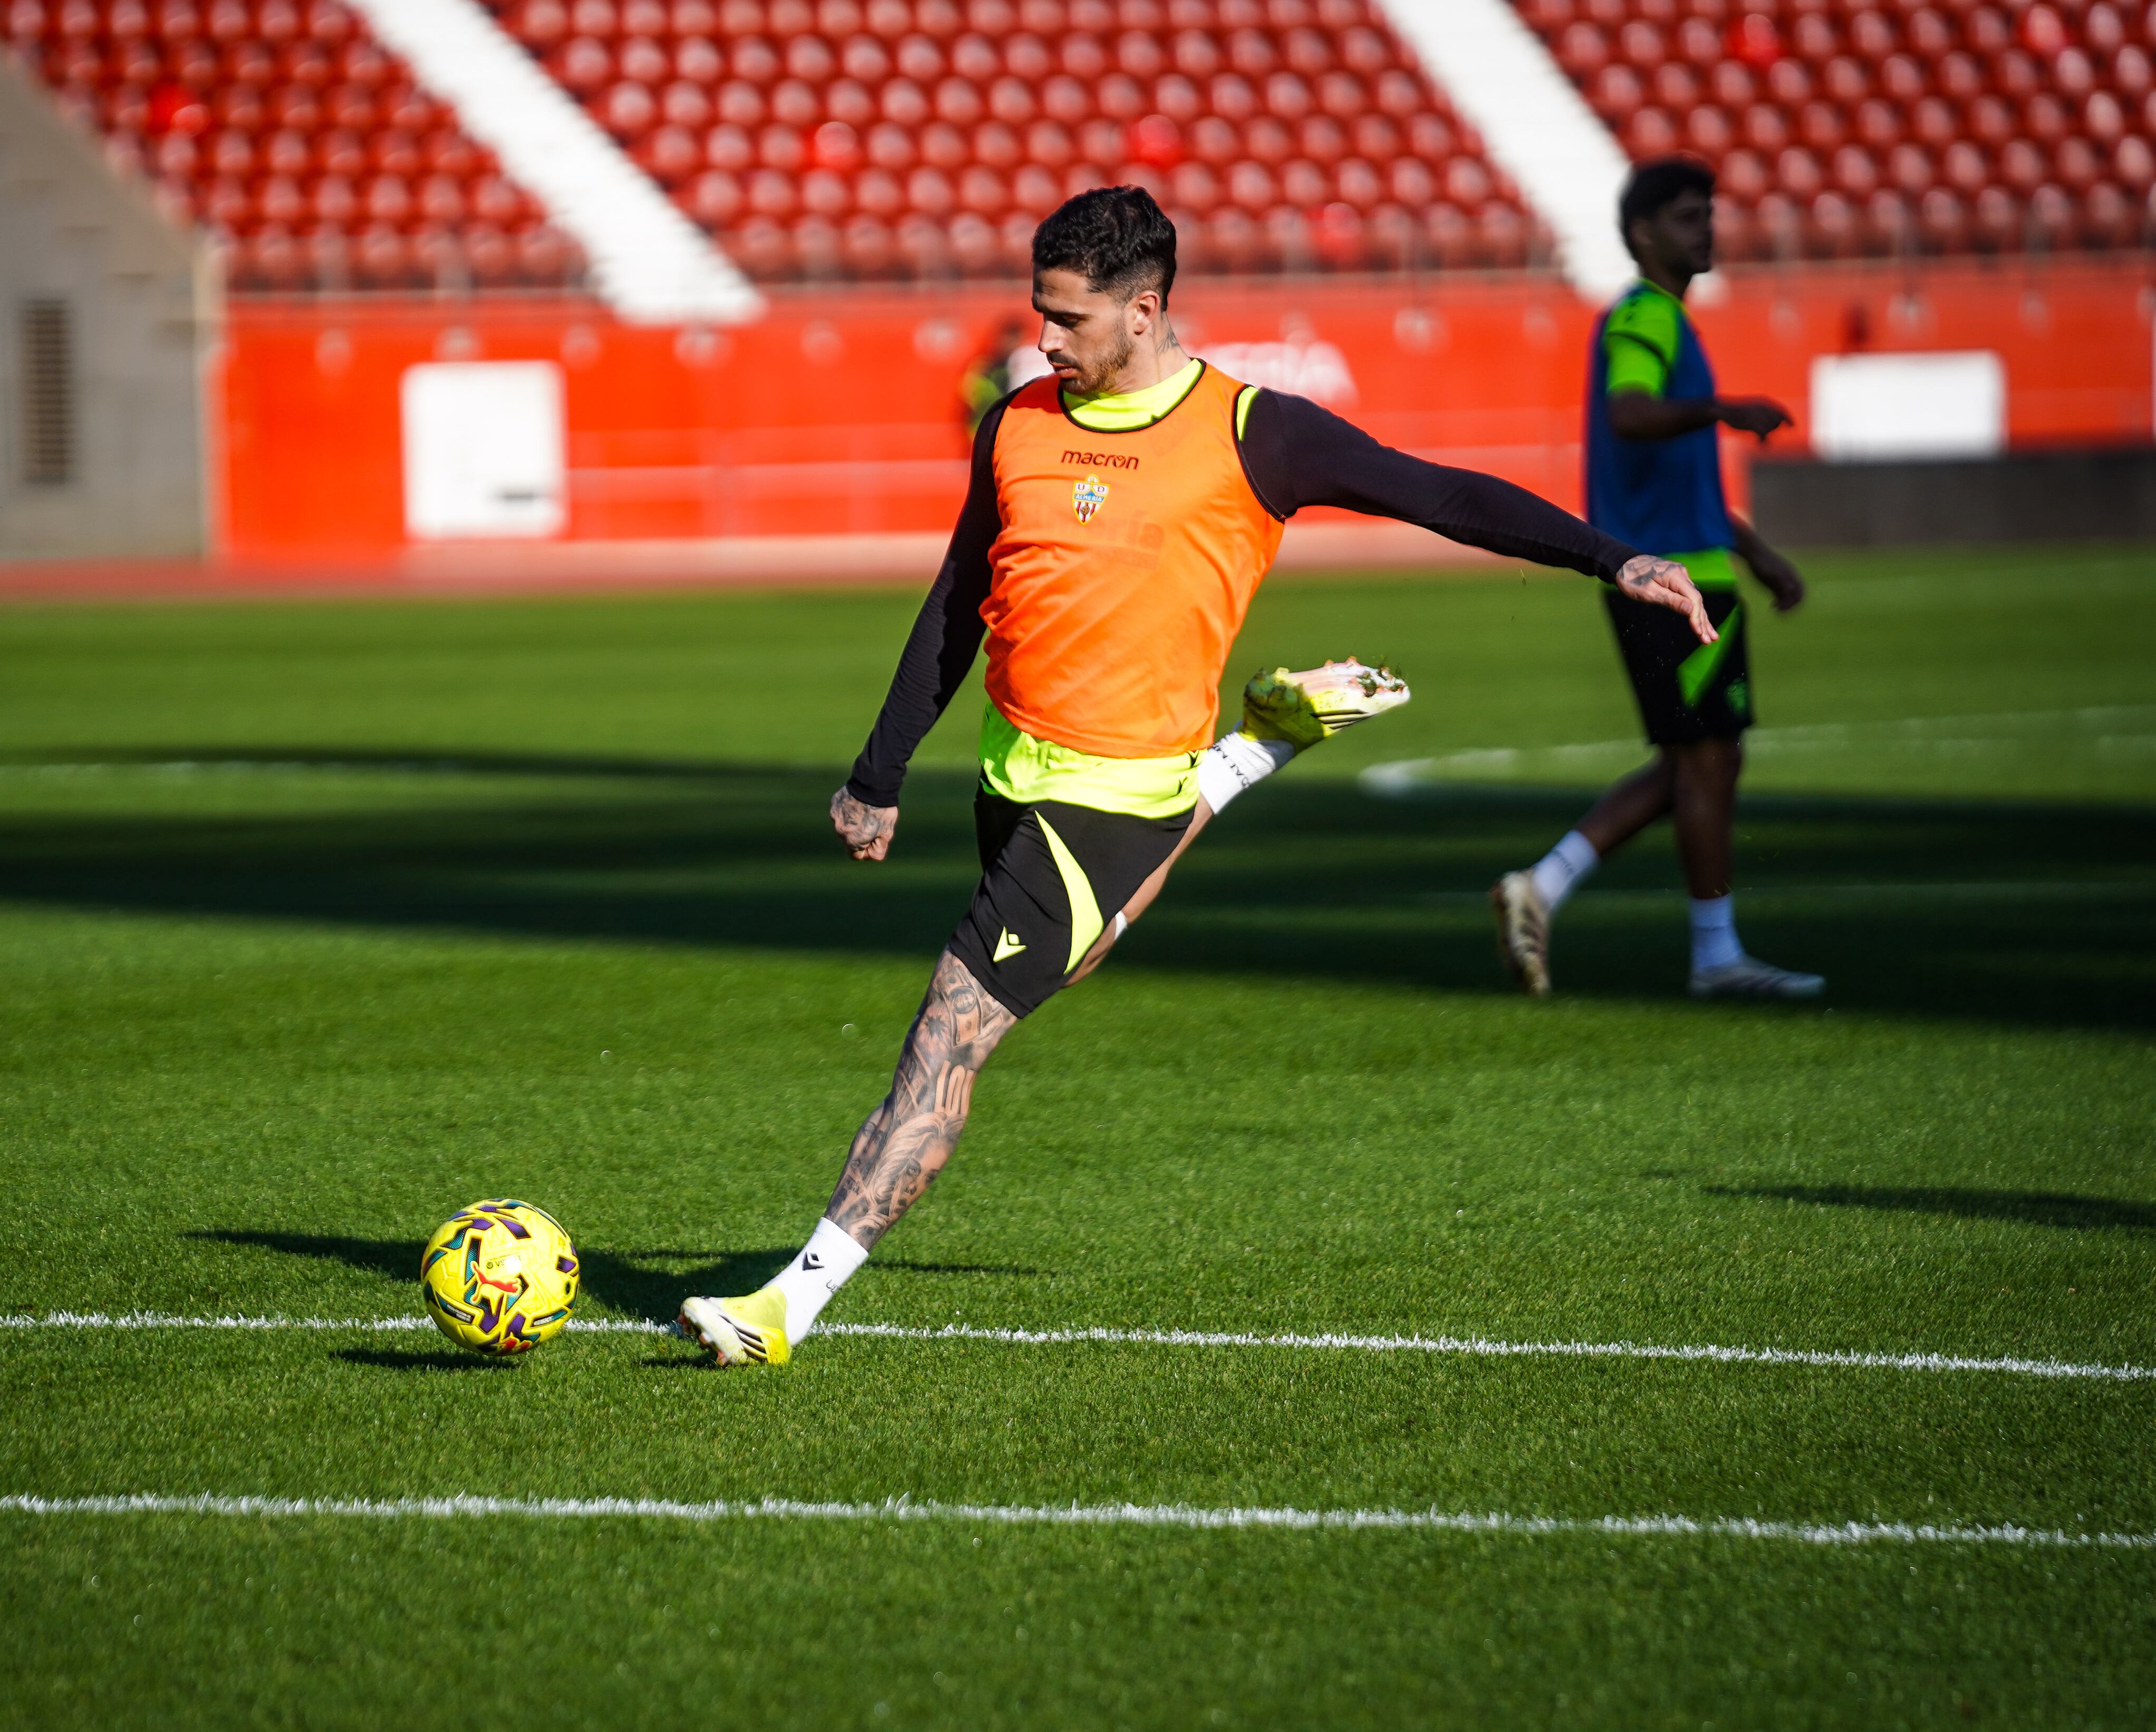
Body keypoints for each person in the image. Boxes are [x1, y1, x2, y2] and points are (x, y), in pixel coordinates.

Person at [675, 187, 1713, 1368]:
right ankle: (1257, 745)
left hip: (1110, 795)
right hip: (1015, 777)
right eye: (1037, 313)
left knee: (949, 1032)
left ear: (1144, 309)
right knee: (1094, 943)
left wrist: (1611, 557)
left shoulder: (1252, 432)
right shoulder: (1014, 421)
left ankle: (785, 1306)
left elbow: (1438, 491)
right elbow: (961, 594)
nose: (1043, 340)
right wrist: (879, 769)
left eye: (1066, 319)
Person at [1490, 157, 1821, 1002]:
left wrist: (1757, 553)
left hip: (1682, 571)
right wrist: (1724, 409)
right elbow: (1629, 415)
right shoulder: (1647, 317)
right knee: (1707, 762)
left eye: (1706, 213)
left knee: (1695, 764)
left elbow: (1677, 481)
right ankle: (1713, 957)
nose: (1704, 229)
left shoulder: (1668, 321)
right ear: (1642, 234)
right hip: (1679, 588)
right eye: (1685, 217)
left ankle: (1550, 886)